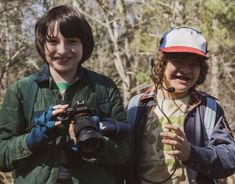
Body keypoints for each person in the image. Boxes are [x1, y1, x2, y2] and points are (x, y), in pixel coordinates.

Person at [0, 5, 130, 184]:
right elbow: (2, 155)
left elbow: (125, 152)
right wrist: (35, 137)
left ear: (84, 44)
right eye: (53, 42)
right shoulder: (21, 91)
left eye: (72, 41)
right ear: (42, 44)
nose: (62, 50)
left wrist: (96, 143)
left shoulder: (104, 88)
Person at [127, 27, 235, 184]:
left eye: (193, 64)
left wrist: (191, 154)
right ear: (160, 63)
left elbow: (230, 158)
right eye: (177, 61)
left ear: (201, 70)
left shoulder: (208, 107)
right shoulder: (138, 104)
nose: (185, 70)